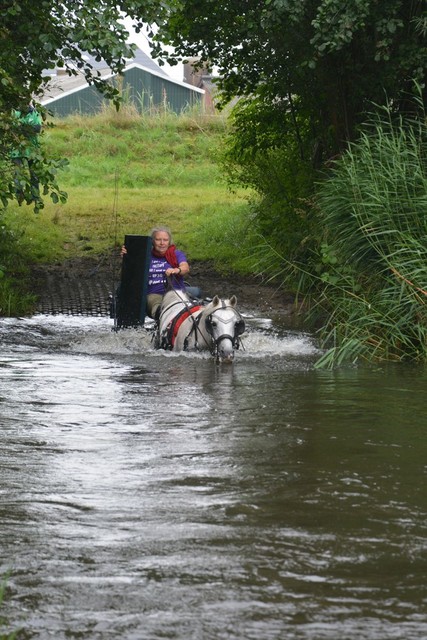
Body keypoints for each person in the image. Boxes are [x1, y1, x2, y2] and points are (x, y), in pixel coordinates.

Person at [121, 226, 200, 320]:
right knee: (159, 308)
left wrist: (176, 270)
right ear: (152, 241)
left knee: (187, 310)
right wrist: (127, 257)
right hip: (154, 294)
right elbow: (131, 273)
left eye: (165, 240)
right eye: (158, 240)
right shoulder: (144, 255)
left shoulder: (176, 254)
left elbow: (185, 267)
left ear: (169, 241)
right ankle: (164, 320)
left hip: (176, 292)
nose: (162, 243)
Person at [10, 102, 43, 204]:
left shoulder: (34, 113)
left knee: (34, 174)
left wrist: (22, 128)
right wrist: (28, 128)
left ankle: (36, 197)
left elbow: (37, 128)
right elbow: (13, 129)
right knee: (17, 174)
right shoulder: (14, 112)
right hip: (16, 149)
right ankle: (19, 196)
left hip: (32, 149)